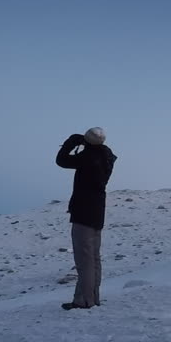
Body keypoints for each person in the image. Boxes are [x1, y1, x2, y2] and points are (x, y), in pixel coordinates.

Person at [55, 127, 117, 310]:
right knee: (93, 257)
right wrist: (86, 143)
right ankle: (93, 297)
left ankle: (83, 300)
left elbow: (61, 161)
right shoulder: (106, 156)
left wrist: (70, 143)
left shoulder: (89, 157)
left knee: (84, 259)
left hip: (84, 211)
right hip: (97, 211)